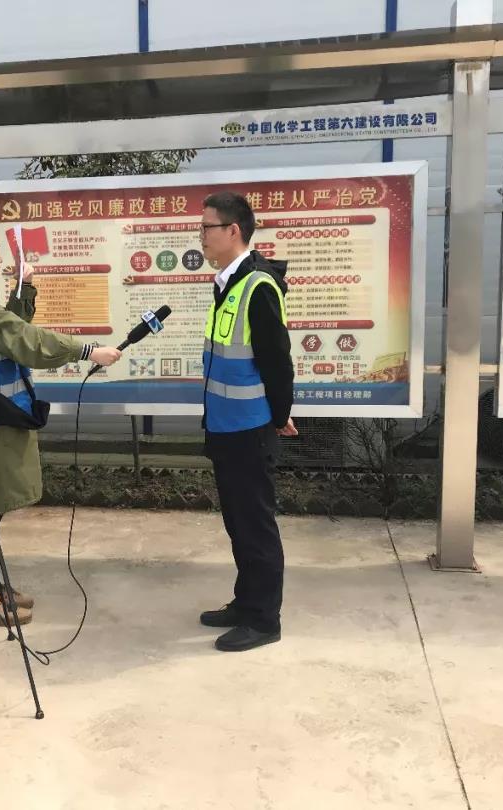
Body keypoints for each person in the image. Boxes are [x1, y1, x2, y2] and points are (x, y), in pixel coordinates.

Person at [0, 217, 122, 626]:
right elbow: (27, 341)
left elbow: (10, 333)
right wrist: (88, 350)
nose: (0, 258)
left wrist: (25, 287)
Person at [196, 192, 297, 653]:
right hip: (225, 425)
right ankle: (246, 601)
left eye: (207, 227)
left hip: (249, 428)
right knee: (238, 523)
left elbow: (277, 361)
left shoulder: (258, 286)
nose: (201, 236)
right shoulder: (227, 284)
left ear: (232, 230)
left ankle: (264, 619)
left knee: (255, 524)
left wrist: (278, 416)